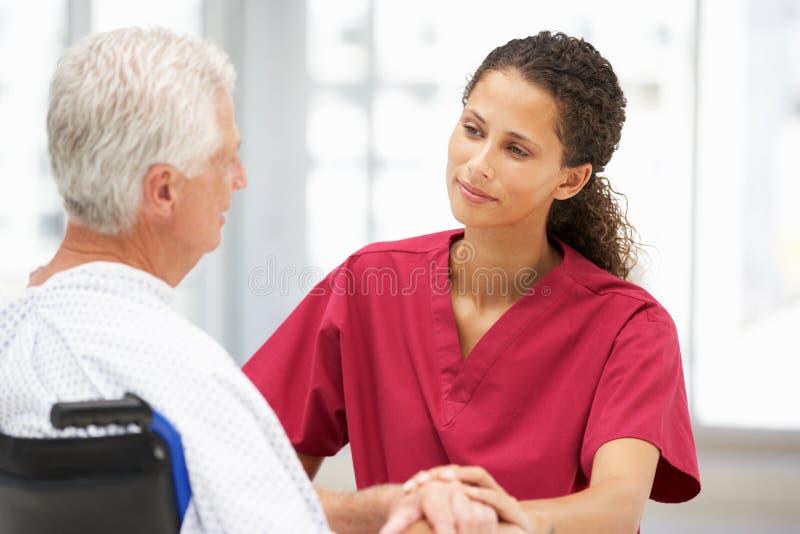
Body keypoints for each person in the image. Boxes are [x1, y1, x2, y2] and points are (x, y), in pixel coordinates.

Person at [244, 31, 701, 533]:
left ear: (569, 180)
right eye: (473, 129)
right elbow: (252, 476)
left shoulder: (631, 328)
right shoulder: (368, 285)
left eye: (517, 150)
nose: (478, 165)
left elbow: (615, 509)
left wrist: (482, 523)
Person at [0, 27, 332, 533]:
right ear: (163, 192)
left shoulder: (14, 339)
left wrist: (369, 511)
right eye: (225, 158)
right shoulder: (186, 379)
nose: (239, 178)